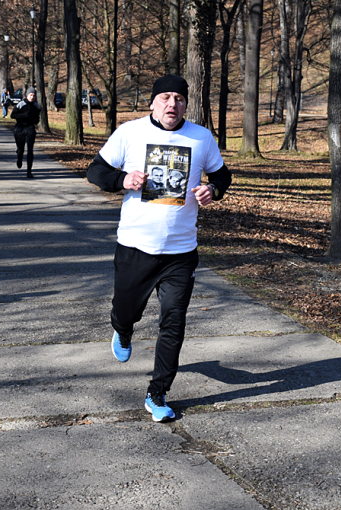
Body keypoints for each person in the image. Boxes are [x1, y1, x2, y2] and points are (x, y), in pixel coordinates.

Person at [86, 74, 232, 422]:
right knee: (126, 310)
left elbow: (223, 176)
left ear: (186, 104)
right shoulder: (130, 132)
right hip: (136, 246)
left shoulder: (201, 137)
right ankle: (122, 330)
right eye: (165, 97)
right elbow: (95, 171)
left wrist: (214, 190)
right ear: (152, 102)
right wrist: (122, 180)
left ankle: (158, 392)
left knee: (174, 322)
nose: (172, 104)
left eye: (179, 98)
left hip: (180, 252)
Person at [11, 87, 40, 179]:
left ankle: (29, 171)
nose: (32, 97)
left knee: (30, 150)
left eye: (34, 95)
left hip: (30, 128)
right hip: (19, 128)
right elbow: (13, 115)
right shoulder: (21, 104)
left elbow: (37, 118)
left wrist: (35, 120)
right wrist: (24, 115)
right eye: (31, 95)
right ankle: (19, 157)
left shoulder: (36, 106)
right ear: (27, 95)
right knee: (21, 150)